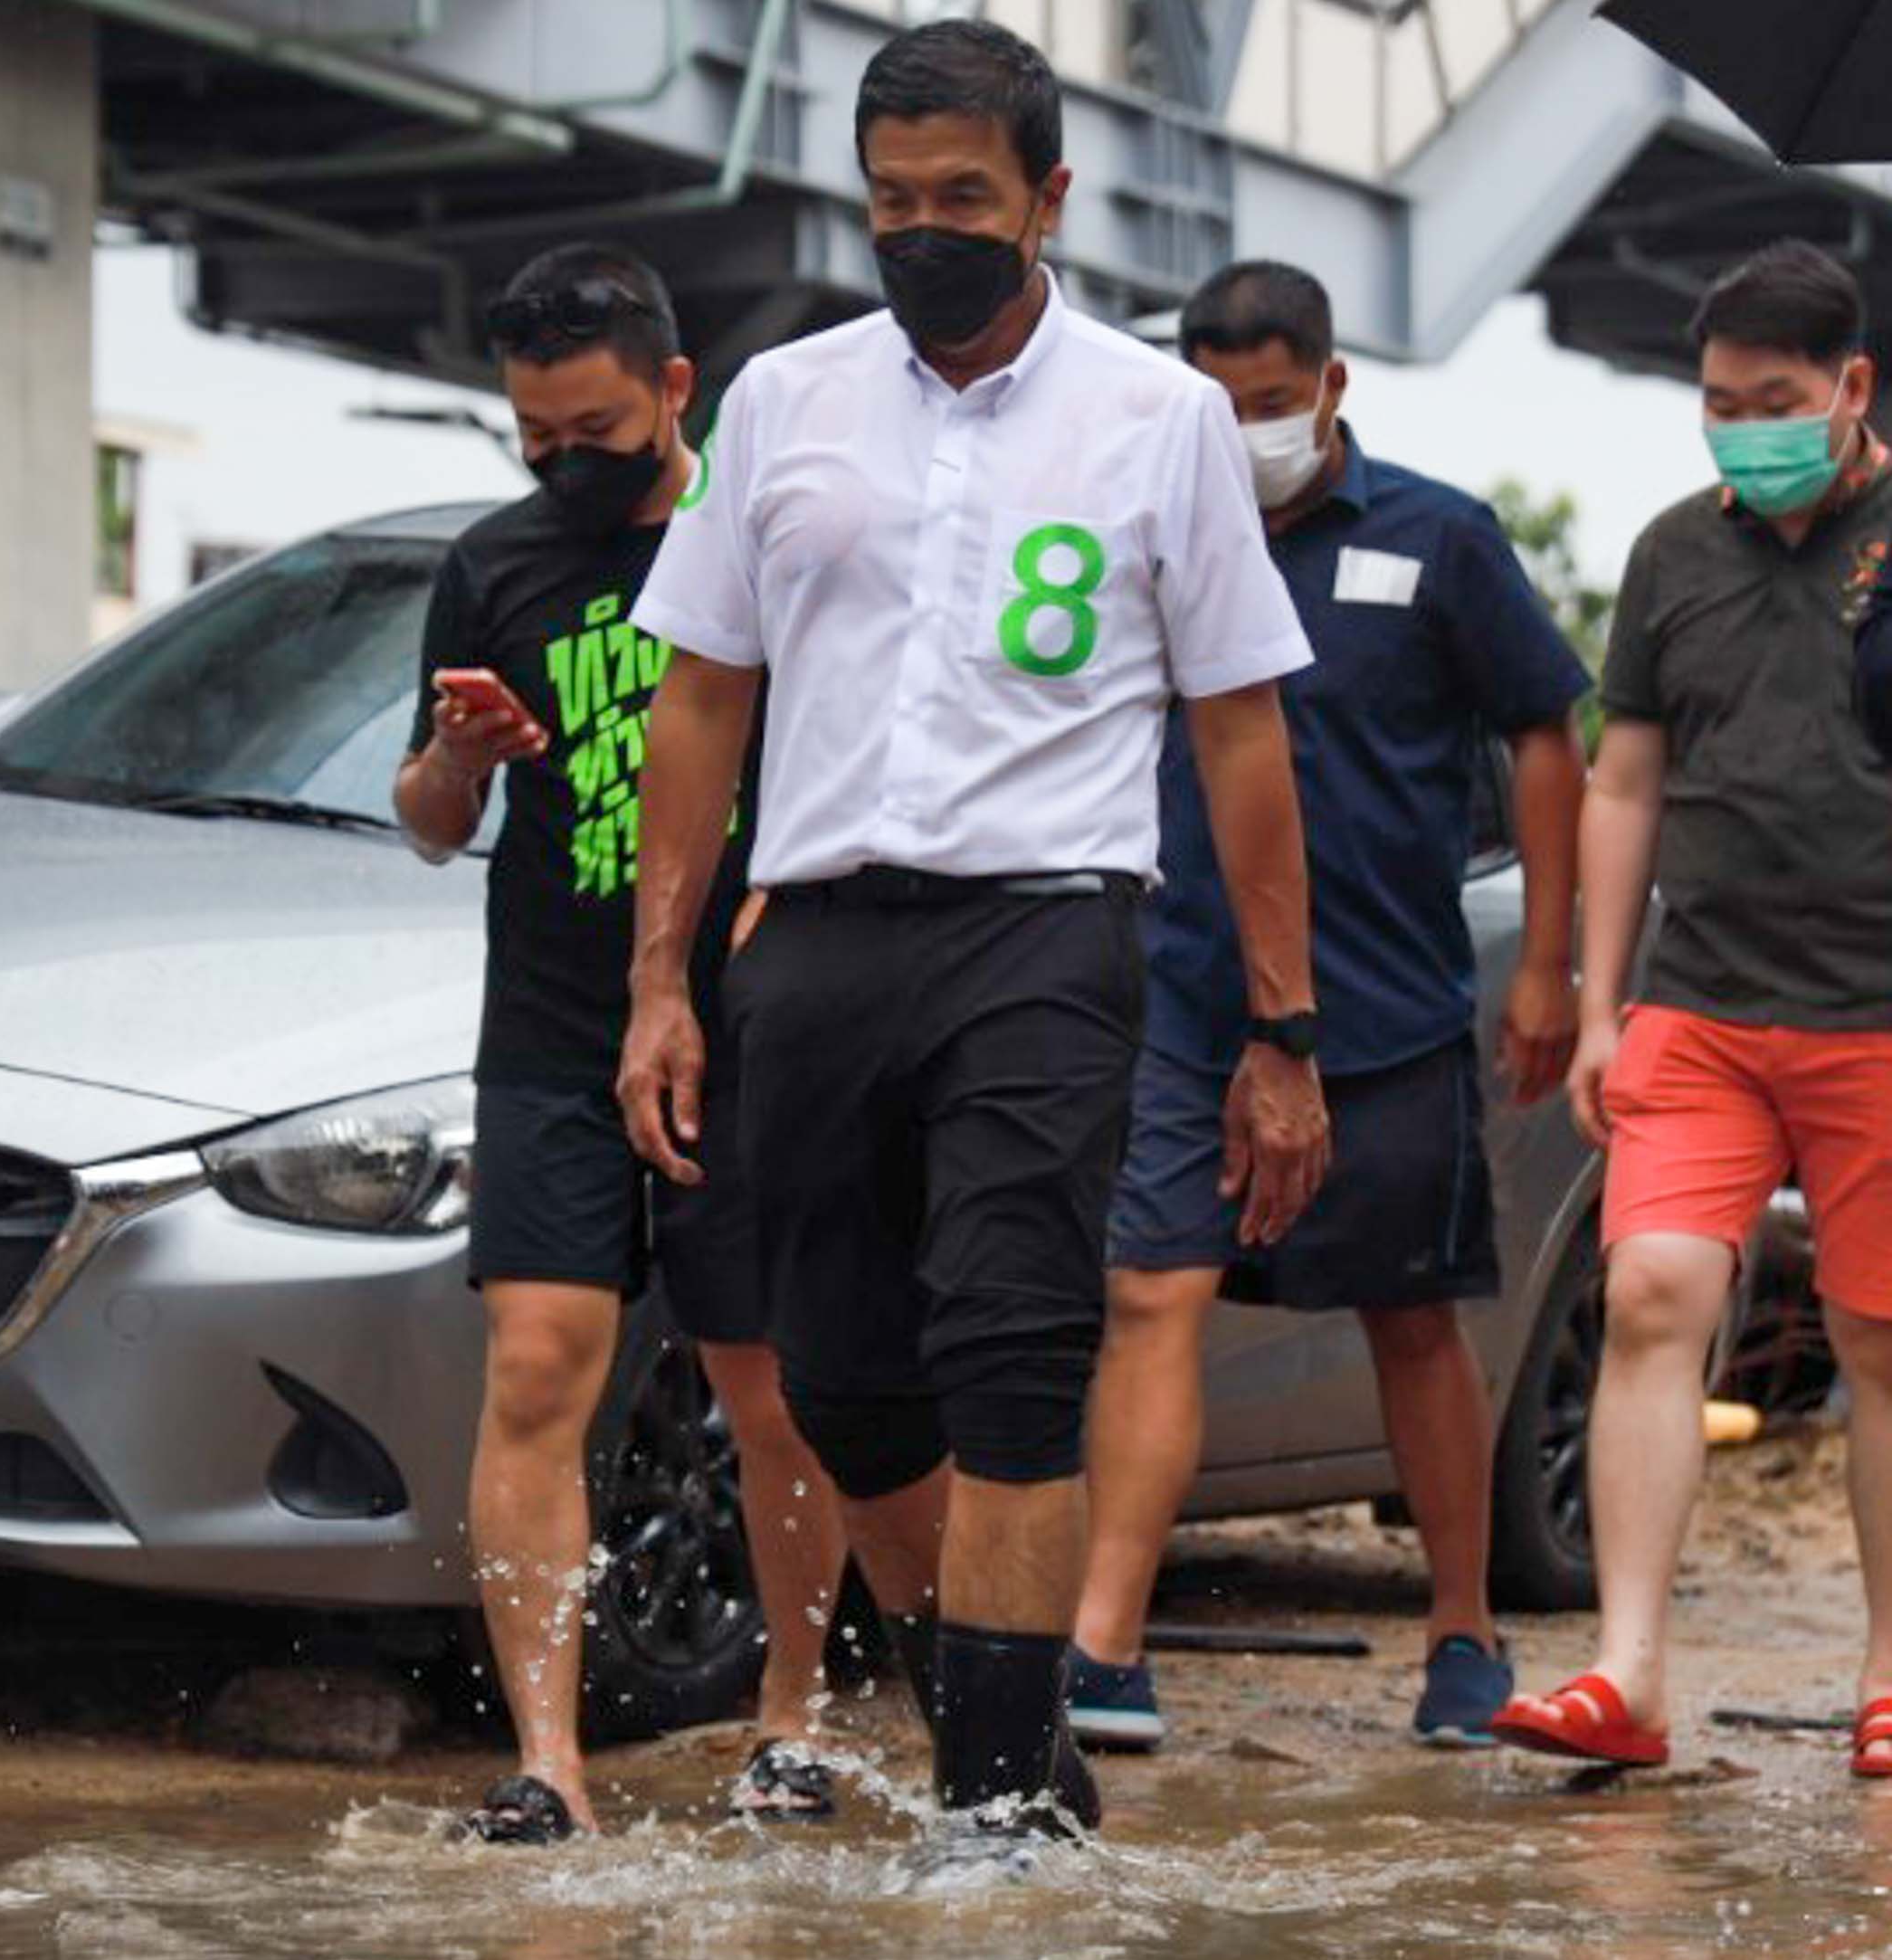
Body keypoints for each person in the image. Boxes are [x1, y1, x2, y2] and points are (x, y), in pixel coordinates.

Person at [619, 17, 1329, 1841]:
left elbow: (1240, 727)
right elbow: (699, 696)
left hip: (1046, 934)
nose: (923, 229)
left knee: (1013, 1356)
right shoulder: (784, 401)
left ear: (1048, 201)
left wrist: (1283, 1030)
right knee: (850, 1392)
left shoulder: (1159, 420)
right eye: (893, 200)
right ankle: (1014, 1743)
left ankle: (999, 1816)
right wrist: (662, 985)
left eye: (964, 198)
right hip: (822, 944)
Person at [1066, 262, 1593, 1755]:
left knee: (1411, 1317)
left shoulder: (1437, 542)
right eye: (1218, 407)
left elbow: (1546, 733)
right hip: (1180, 992)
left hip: (1387, 1004)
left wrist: (1548, 960)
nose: (1248, 433)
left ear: (1333, 386)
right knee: (1150, 1294)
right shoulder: (1147, 544)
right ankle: (1105, 1642)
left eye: (1273, 404)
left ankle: (1464, 1633)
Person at [392, 243, 851, 1843]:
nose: (565, 466)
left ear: (675, 391)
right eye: (535, 440)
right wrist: (457, 753)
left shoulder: (775, 547)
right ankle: (547, 1762)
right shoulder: (495, 568)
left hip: (752, 1031)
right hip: (551, 1024)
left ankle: (793, 1716)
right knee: (536, 1370)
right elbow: (432, 826)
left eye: (594, 432)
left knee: (770, 1387)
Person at [1495, 241, 1892, 1777]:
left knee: (1876, 1335)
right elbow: (1626, 777)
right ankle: (1629, 1671)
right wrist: (1598, 1004)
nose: (1744, 428)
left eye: (1777, 401)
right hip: (1701, 1003)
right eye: (1720, 404)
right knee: (1653, 1293)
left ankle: (1881, 1675)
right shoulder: (1672, 554)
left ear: (1853, 388)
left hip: (1877, 1007)